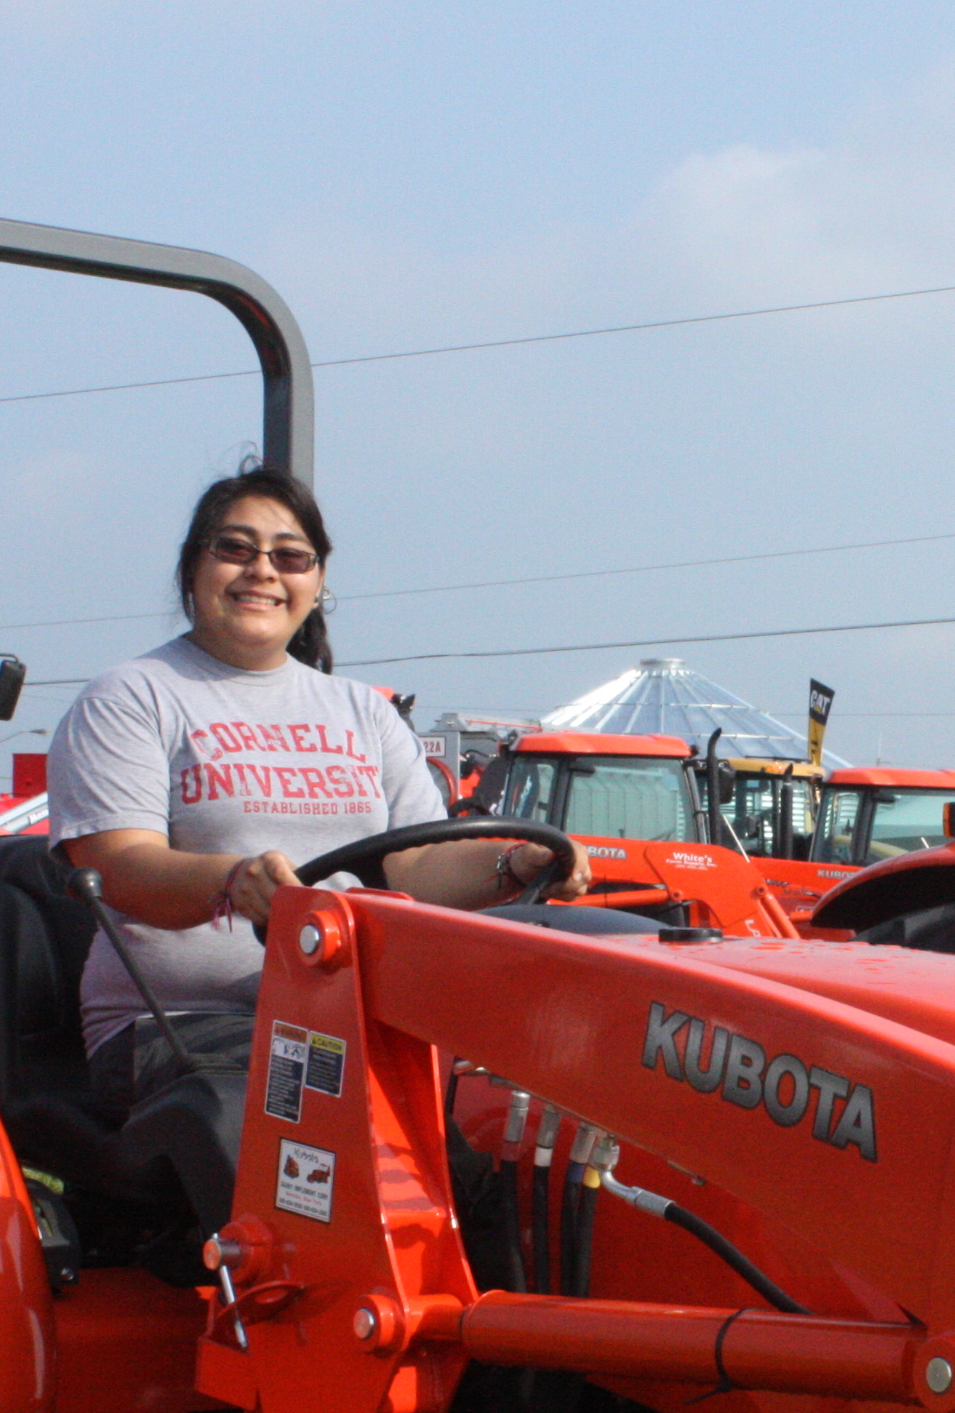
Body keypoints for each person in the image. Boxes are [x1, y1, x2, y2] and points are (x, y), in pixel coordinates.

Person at [49, 465, 584, 1116]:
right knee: (337, 1100)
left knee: (515, 1103)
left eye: (290, 556)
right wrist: (234, 880)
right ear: (193, 568)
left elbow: (415, 866)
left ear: (317, 582)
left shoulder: (365, 712)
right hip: (182, 1028)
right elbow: (118, 867)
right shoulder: (130, 698)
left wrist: (515, 863)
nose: (262, 571)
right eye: (235, 548)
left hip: (348, 1017)